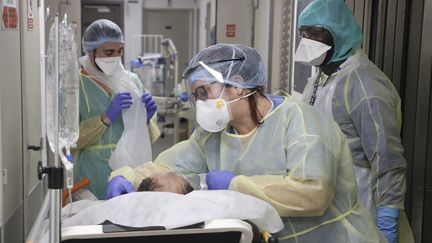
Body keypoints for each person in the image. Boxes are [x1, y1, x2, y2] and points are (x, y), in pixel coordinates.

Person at [105, 43, 384, 242]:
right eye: (196, 96)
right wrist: (126, 177)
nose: (201, 103)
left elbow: (313, 194)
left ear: (237, 83)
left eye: (204, 91)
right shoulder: (211, 136)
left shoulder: (300, 120)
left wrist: (236, 185)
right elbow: (166, 168)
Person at [293, 0, 412, 242]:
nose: (308, 42)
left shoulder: (364, 84)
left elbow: (386, 157)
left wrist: (387, 219)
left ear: (340, 33)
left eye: (316, 34)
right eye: (303, 34)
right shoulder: (323, 77)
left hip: (362, 203)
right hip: (327, 203)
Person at [73, 19, 160, 199]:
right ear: (90, 51)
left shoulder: (131, 81)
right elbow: (71, 140)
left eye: (119, 51)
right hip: (92, 173)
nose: (115, 57)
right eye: (108, 52)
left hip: (129, 169)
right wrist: (105, 118)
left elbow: (146, 139)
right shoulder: (75, 85)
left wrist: (145, 120)